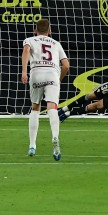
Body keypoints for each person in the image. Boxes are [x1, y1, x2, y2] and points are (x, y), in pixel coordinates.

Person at [21, 18, 69, 161]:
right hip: (52, 74)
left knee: (35, 108)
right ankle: (55, 137)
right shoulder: (56, 43)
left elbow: (26, 50)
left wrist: (24, 72)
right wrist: (58, 80)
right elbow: (66, 65)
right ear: (50, 31)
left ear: (35, 30)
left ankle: (32, 145)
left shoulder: (30, 40)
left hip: (36, 73)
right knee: (52, 107)